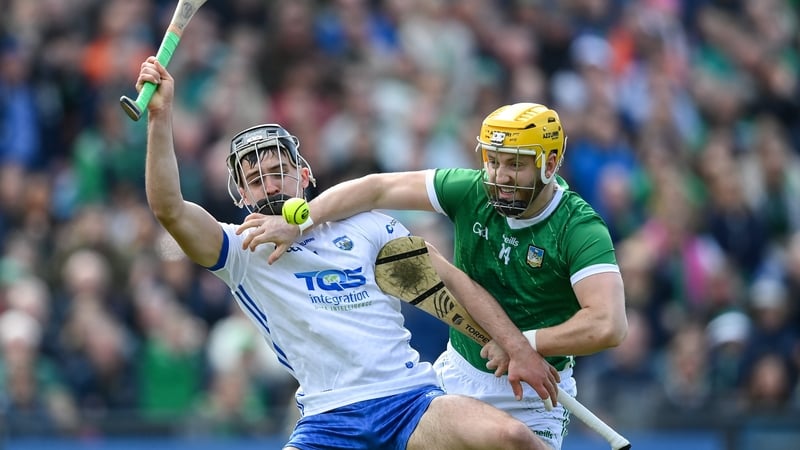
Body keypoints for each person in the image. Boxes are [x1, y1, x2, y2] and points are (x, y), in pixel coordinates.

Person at [134, 56, 560, 450]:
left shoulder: (366, 227)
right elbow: (169, 209)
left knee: (513, 438)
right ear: (242, 195)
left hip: (410, 403)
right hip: (327, 422)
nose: (271, 184)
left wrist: (513, 345)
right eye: (257, 179)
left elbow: (447, 283)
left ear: (304, 175)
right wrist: (160, 117)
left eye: (279, 171)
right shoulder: (240, 251)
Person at [244, 102, 629, 449]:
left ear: (548, 163)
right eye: (493, 160)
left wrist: (525, 344)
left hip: (533, 392)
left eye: (515, 164)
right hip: (454, 379)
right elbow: (376, 189)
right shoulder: (470, 191)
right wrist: (302, 222)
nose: (500, 176)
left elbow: (608, 324)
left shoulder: (578, 228)